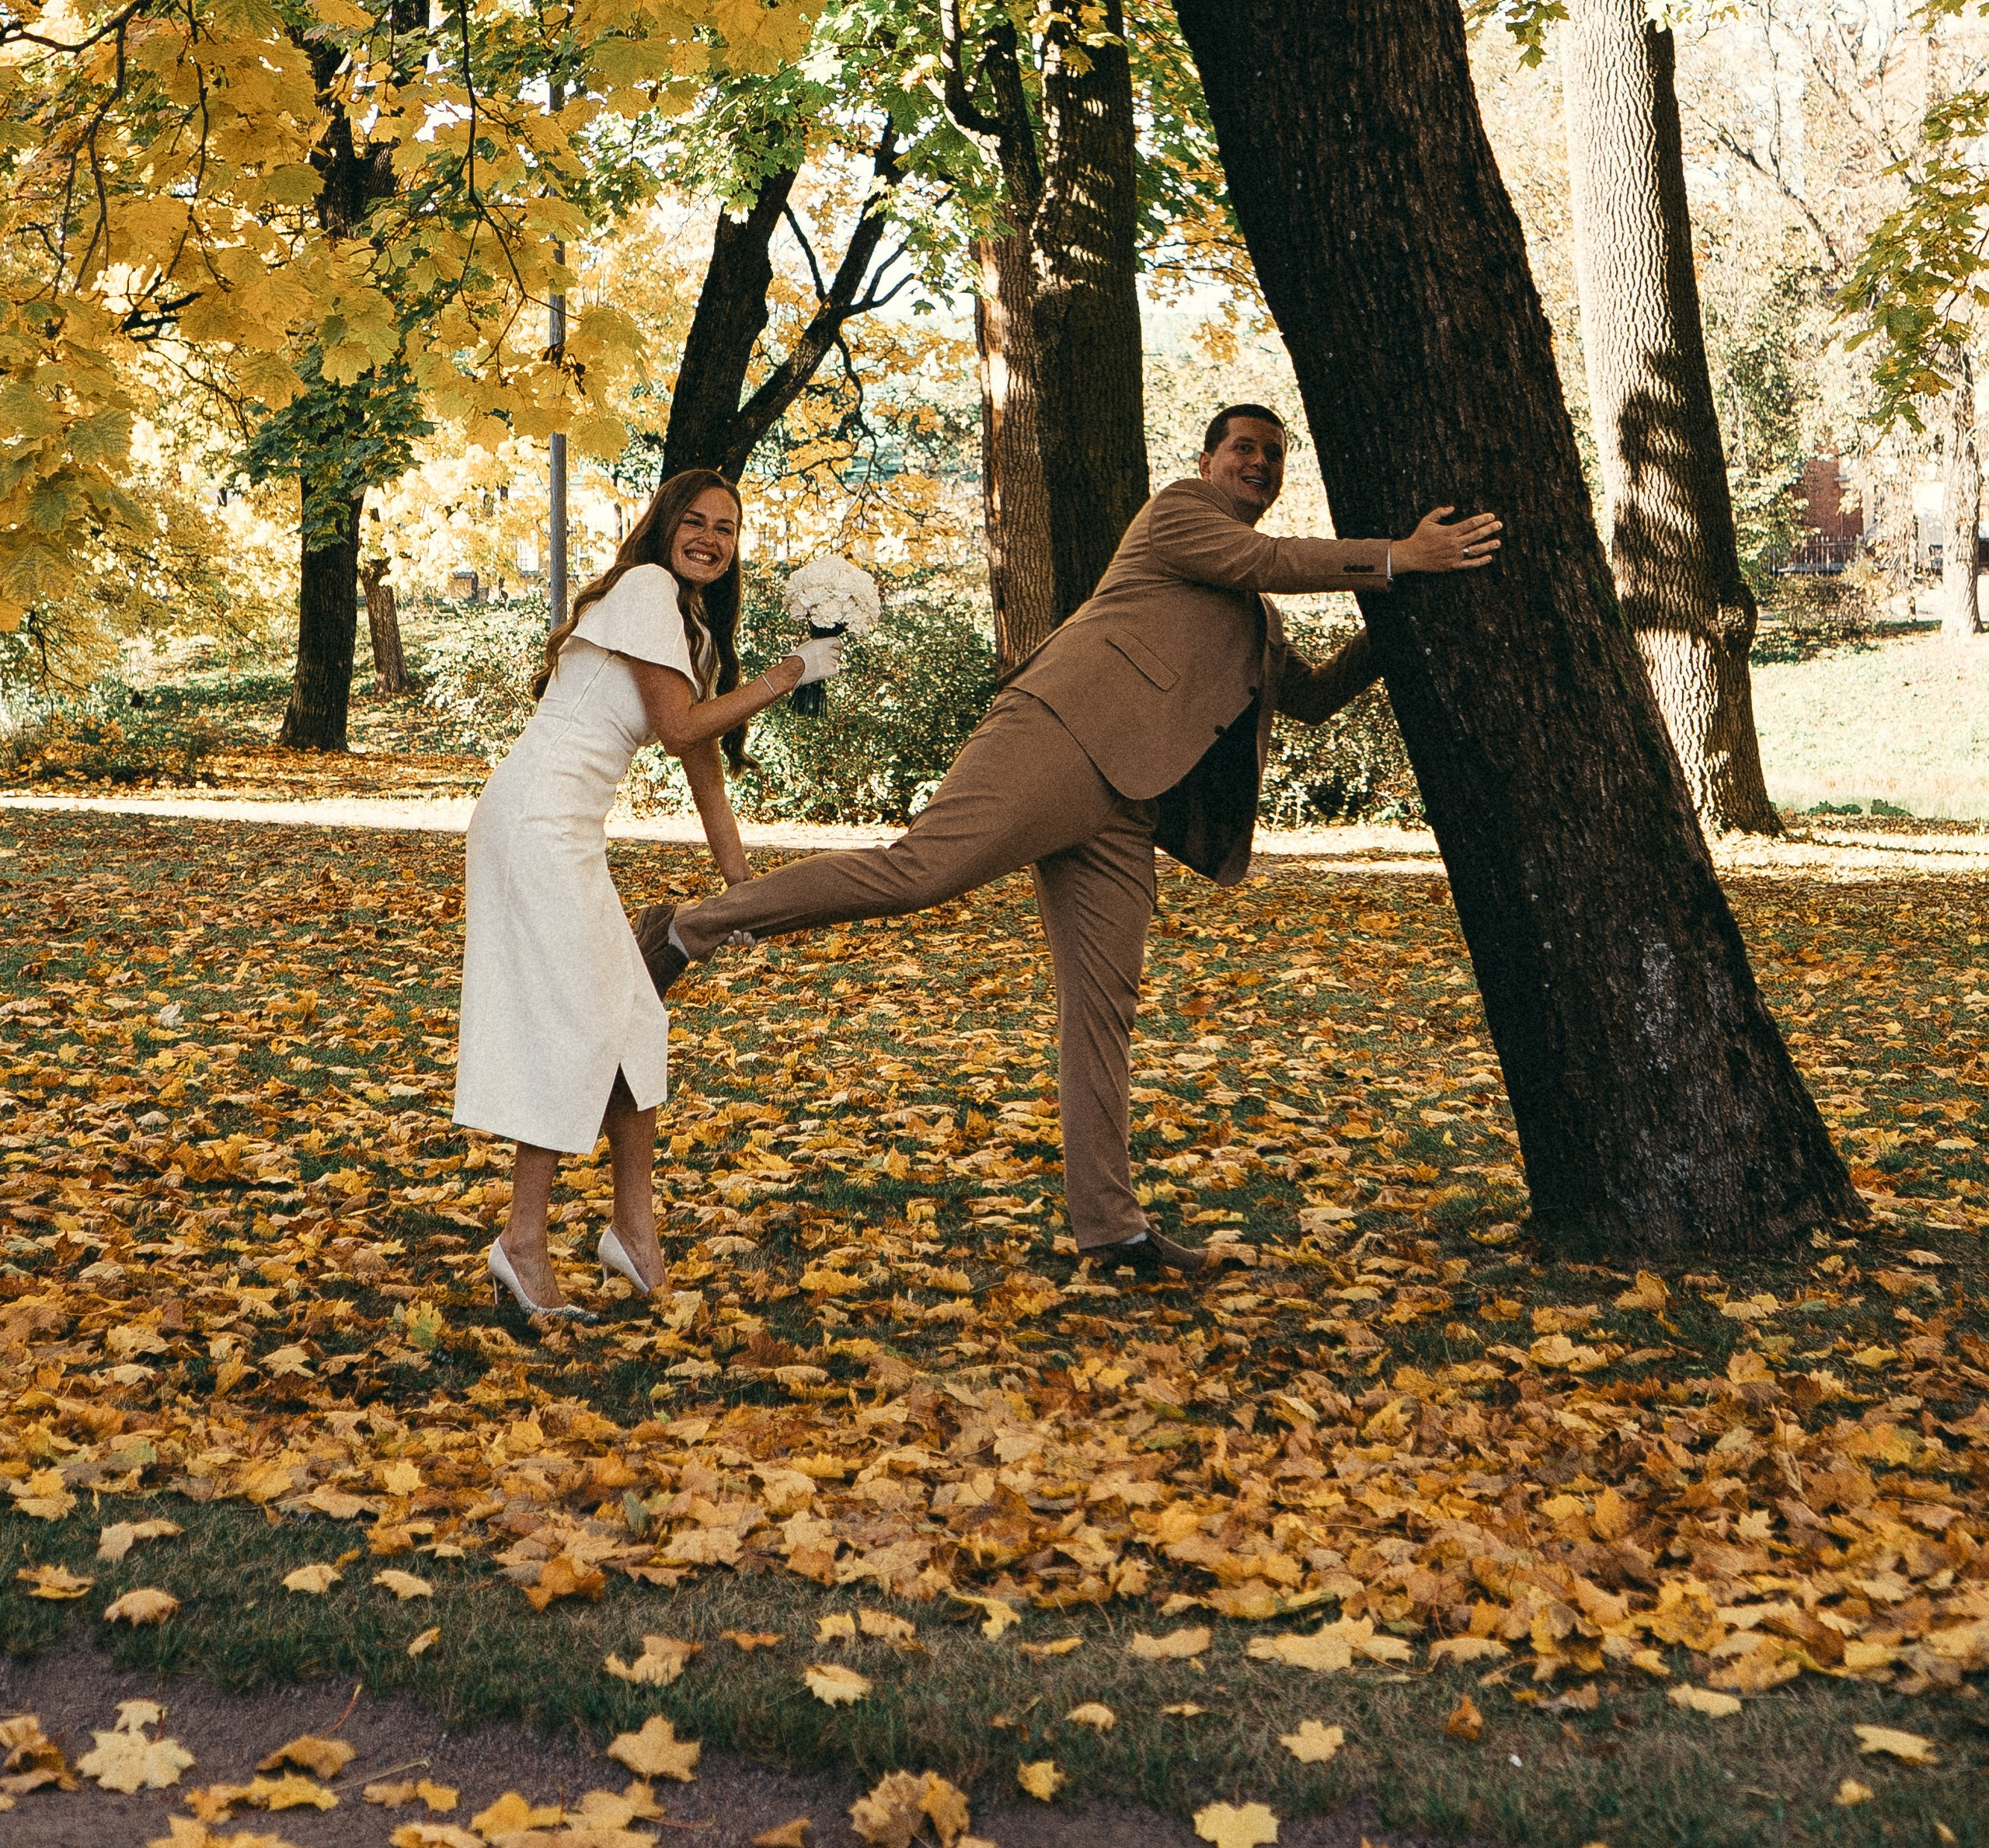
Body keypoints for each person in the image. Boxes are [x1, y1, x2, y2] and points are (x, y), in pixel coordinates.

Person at [654, 407, 1500, 1280]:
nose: (1258, 462)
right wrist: (1398, 556)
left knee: (1102, 1011)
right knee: (920, 871)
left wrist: (1406, 622)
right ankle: (688, 926)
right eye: (1242, 448)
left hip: (1126, 811)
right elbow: (1265, 558)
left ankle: (1113, 1231)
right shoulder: (1176, 515)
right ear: (1206, 459)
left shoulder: (1255, 622)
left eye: (1273, 455)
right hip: (1056, 737)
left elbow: (1312, 697)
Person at [454, 465, 840, 1317]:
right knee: (581, 1020)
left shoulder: (687, 631)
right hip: (533, 821)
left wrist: (739, 883)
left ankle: (633, 1235)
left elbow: (703, 768)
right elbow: (679, 728)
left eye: (726, 528)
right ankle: (521, 1242)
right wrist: (787, 675)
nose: (709, 538)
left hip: (566, 829)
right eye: (694, 521)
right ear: (664, 527)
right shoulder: (643, 588)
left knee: (636, 1020)